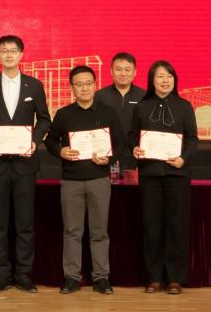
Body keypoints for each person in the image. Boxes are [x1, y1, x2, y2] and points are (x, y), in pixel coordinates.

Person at [0, 35, 51, 293]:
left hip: (25, 164)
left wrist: (34, 141)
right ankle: (2, 275)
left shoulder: (34, 85)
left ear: (21, 54)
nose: (8, 54)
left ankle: (24, 275)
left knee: (25, 223)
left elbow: (45, 119)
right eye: (4, 50)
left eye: (13, 50)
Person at [45, 66, 124, 295]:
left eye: (88, 83)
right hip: (71, 181)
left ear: (95, 85)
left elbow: (120, 143)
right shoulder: (64, 114)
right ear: (72, 87)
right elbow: (50, 141)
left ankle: (101, 277)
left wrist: (109, 158)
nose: (84, 88)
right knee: (72, 231)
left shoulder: (108, 113)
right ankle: (72, 277)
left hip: (100, 179)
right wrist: (61, 151)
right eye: (79, 84)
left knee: (99, 231)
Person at [129, 60, 198, 295]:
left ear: (175, 80)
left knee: (177, 225)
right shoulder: (142, 106)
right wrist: (135, 148)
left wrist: (183, 159)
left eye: (169, 76)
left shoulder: (185, 106)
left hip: (177, 173)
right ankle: (155, 277)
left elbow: (192, 139)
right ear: (152, 80)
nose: (165, 80)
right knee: (152, 225)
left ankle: (175, 278)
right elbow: (132, 135)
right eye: (160, 76)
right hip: (150, 173)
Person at [93, 52, 145, 171]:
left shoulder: (145, 97)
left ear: (135, 72)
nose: (123, 73)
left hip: (137, 157)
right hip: (106, 158)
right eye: (118, 69)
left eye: (127, 70)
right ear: (111, 71)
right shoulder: (99, 96)